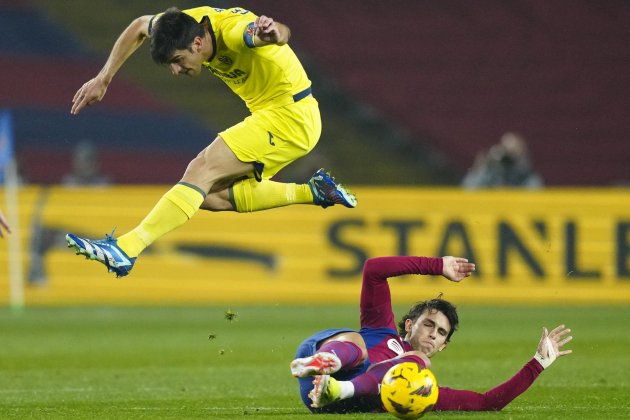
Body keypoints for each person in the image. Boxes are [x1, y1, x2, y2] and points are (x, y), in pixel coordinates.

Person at [65, 6, 357, 277]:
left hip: (291, 116)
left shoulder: (233, 32)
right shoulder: (185, 24)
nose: (176, 70)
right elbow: (140, 25)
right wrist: (104, 78)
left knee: (200, 169)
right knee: (206, 195)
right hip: (276, 115)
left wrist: (274, 33)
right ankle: (313, 192)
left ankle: (126, 248)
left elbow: (275, 32)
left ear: (197, 44)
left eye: (178, 61)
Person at [290, 256, 572, 413]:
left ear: (443, 346)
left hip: (331, 403)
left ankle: (337, 390)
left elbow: (489, 403)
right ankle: (323, 363)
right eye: (428, 324)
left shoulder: (420, 389)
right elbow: (374, 270)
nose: (433, 335)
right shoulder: (382, 327)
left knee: (419, 365)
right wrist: (437, 266)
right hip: (319, 369)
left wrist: (538, 363)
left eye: (441, 333)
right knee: (357, 343)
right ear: (410, 324)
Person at [462, 132, 544, 189]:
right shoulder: (492, 174)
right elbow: (468, 190)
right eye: (506, 152)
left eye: (513, 152)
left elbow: (534, 197)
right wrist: (486, 165)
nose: (509, 158)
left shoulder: (529, 179)